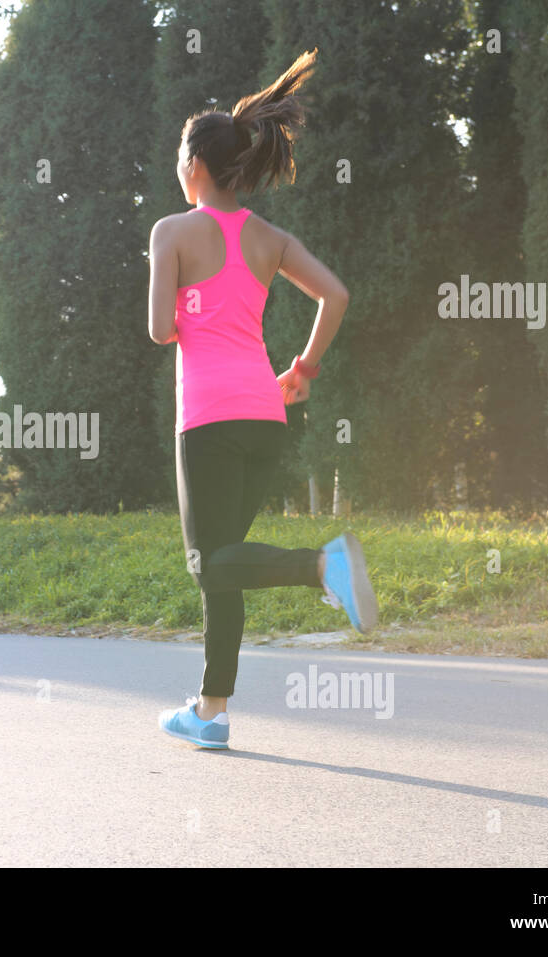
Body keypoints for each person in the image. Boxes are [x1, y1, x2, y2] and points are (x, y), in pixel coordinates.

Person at [146, 48, 378, 750]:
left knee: (206, 562)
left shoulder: (171, 232)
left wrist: (185, 301)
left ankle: (321, 565)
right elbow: (335, 294)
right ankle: (211, 713)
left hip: (210, 420)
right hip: (268, 415)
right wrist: (302, 366)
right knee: (227, 562)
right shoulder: (270, 238)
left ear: (193, 167)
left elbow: (161, 331)